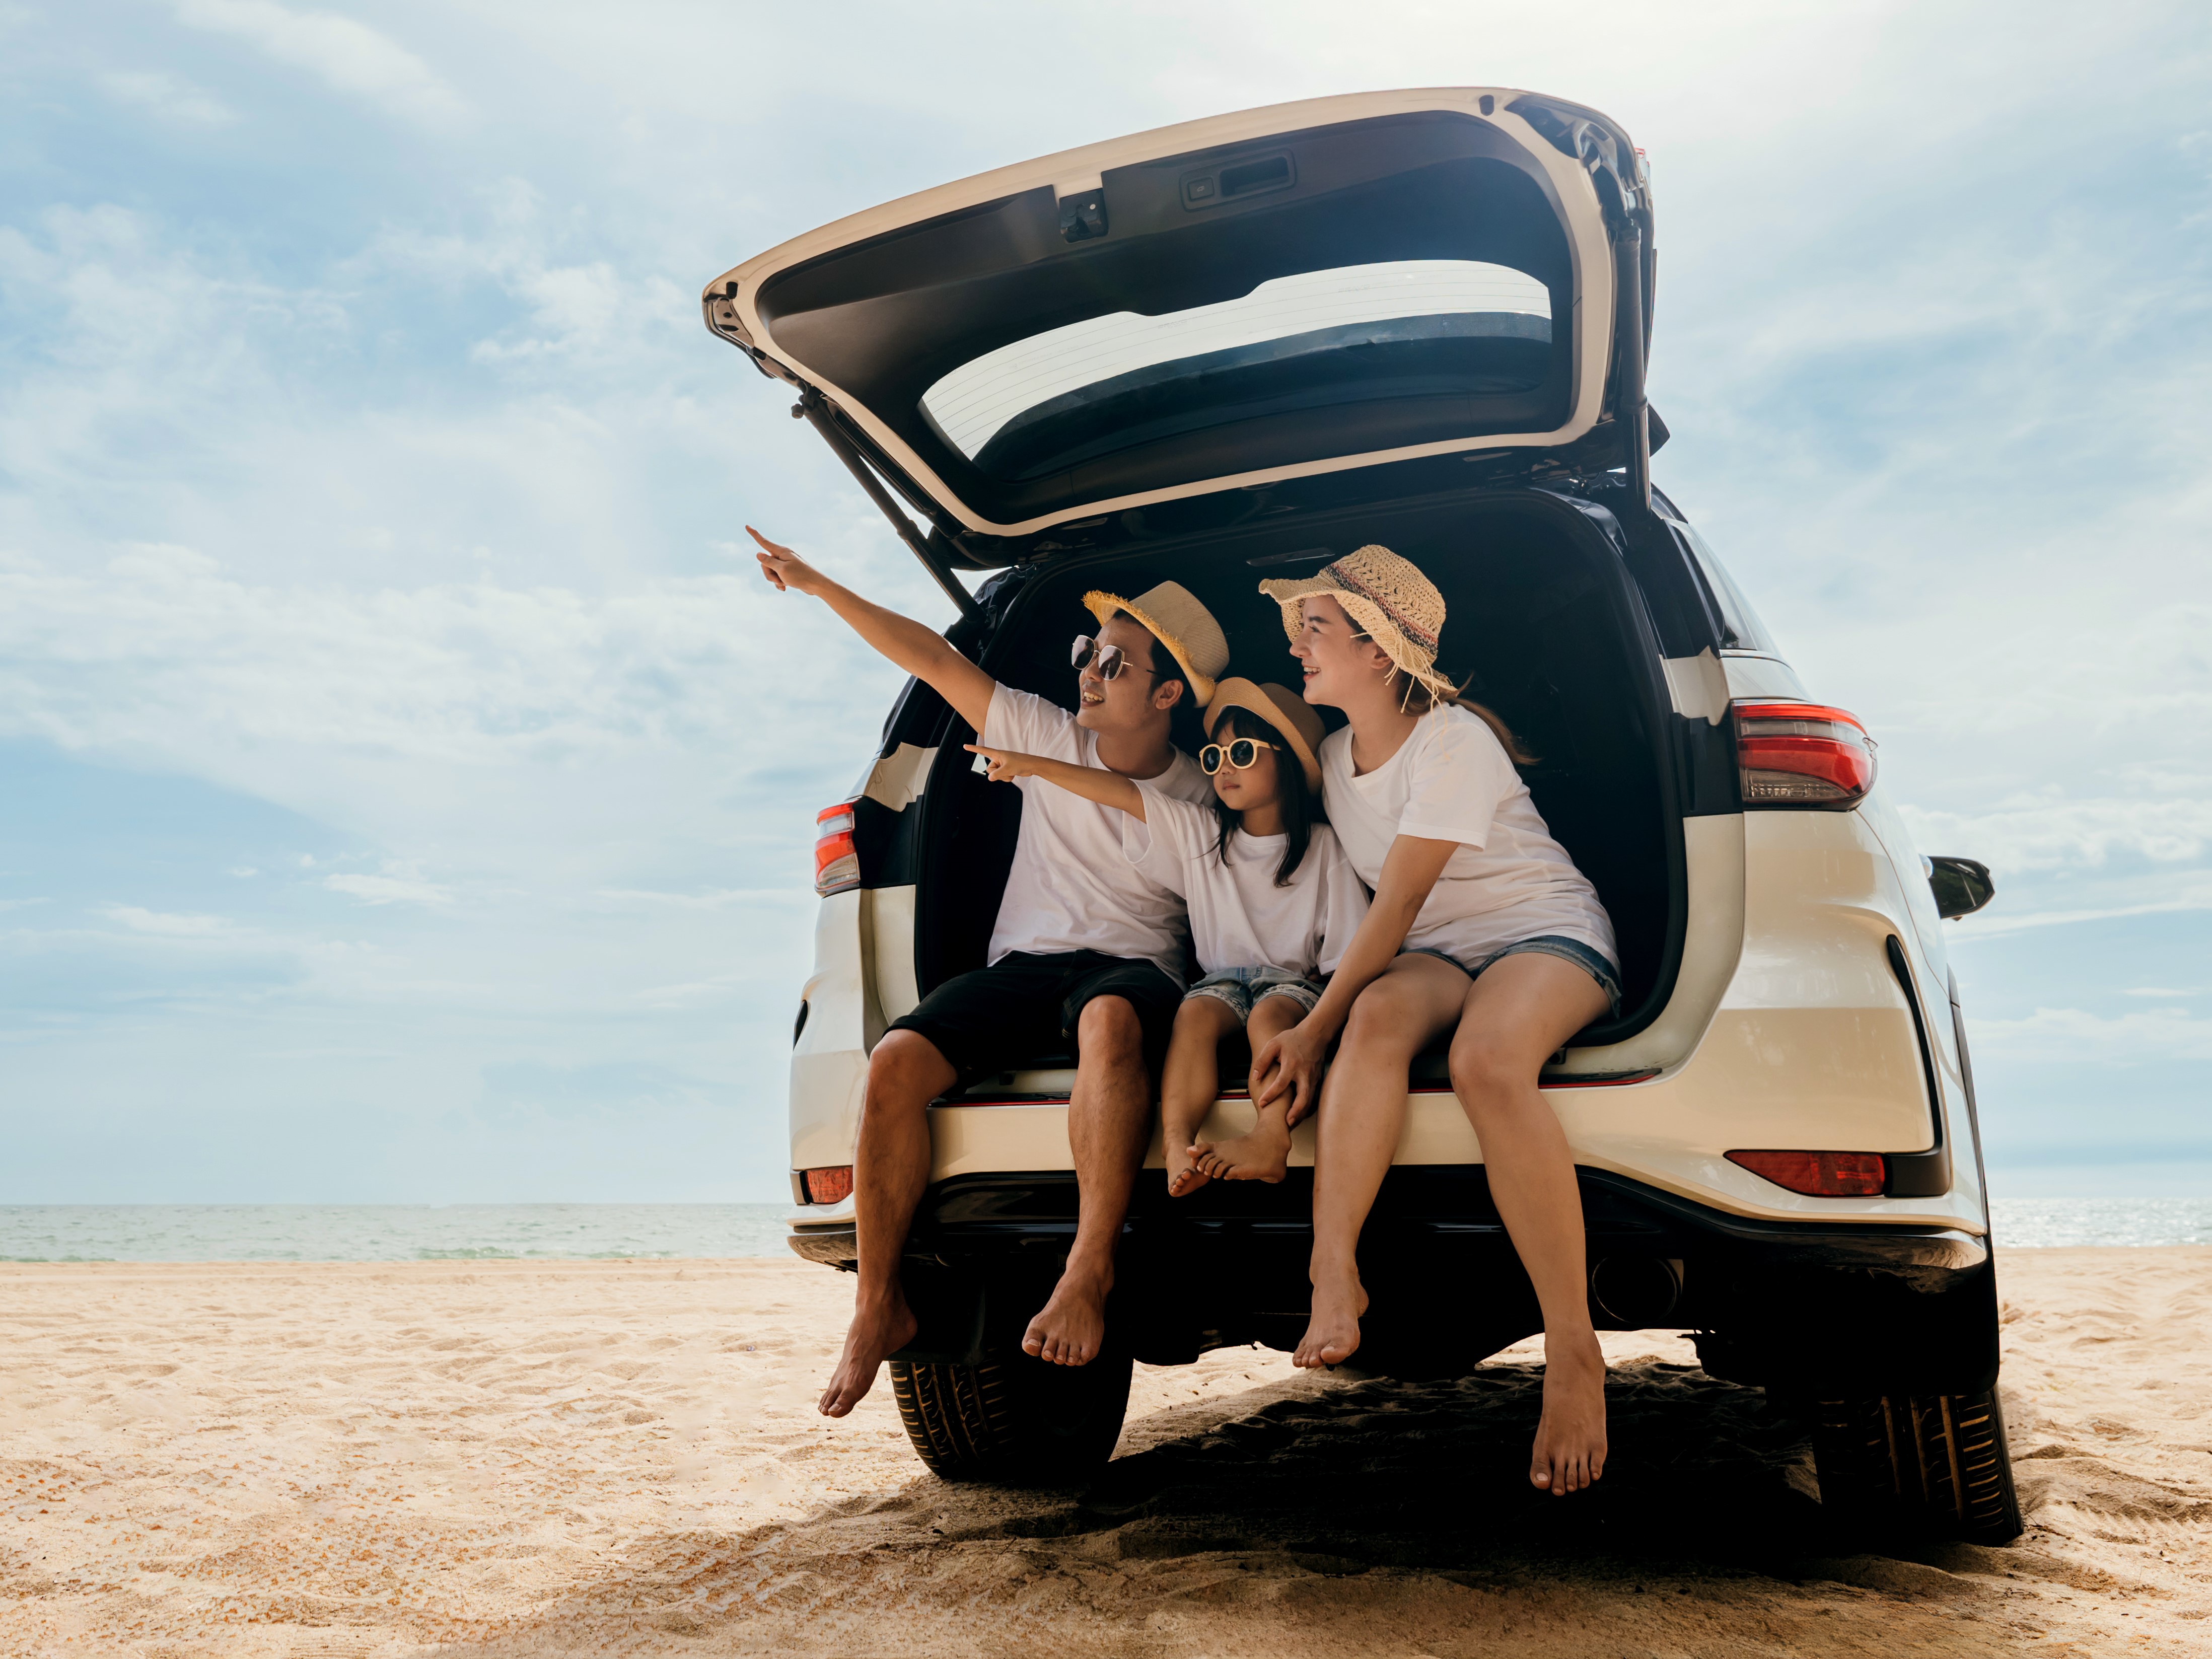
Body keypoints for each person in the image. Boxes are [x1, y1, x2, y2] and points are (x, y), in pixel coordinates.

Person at [748, 526, 1230, 1416]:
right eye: (1088, 653)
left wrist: (1037, 767)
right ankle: (876, 1305)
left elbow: (1137, 804)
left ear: (1167, 693)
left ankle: (1087, 1269)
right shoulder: (1048, 727)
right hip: (1027, 964)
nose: (1086, 671)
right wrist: (819, 584)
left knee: (1110, 1027)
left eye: (1114, 664)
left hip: (1133, 970)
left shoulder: (1201, 795)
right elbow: (931, 656)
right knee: (892, 1061)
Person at [1248, 544, 1623, 1498]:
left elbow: (1397, 904)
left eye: (1316, 627)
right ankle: (1333, 1271)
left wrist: (1308, 1029)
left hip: (1538, 930)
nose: (1298, 644)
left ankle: (1572, 1353)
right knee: (1374, 1019)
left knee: (1486, 1062)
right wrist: (1305, 1013)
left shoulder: (1453, 740)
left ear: (1378, 651)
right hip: (1438, 953)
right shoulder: (1332, 758)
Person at [967, 678, 1369, 1197]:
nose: (1223, 765)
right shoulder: (1201, 832)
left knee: (1270, 1016)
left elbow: (1348, 952)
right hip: (1219, 985)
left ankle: (1271, 1137)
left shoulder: (1323, 847)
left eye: (1241, 751)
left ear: (1287, 762)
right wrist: (1035, 765)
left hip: (1292, 984)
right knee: (1194, 1015)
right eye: (1213, 755)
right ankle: (1178, 1143)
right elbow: (1123, 795)